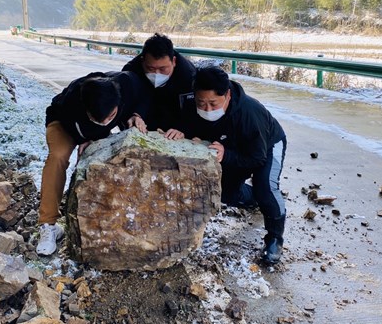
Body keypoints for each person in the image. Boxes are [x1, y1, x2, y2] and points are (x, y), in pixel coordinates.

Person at [182, 66, 287, 264]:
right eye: (201, 103)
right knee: (225, 192)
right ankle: (253, 200)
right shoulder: (190, 104)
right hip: (227, 147)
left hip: (267, 146)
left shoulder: (249, 112)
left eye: (213, 104)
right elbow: (190, 128)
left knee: (265, 187)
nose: (207, 110)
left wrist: (227, 154)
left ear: (227, 95)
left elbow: (258, 158)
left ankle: (274, 239)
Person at [37, 71, 148, 255]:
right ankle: (48, 225)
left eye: (110, 117)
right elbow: (75, 127)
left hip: (93, 130)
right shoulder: (72, 100)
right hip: (64, 125)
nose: (105, 122)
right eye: (98, 120)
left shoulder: (126, 83)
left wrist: (136, 115)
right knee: (58, 157)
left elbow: (144, 96)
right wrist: (87, 137)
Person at [122, 33, 196, 138]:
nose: (157, 74)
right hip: (144, 117)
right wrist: (133, 115)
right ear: (142, 61)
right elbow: (121, 103)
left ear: (173, 61)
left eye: (163, 69)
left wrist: (182, 129)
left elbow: (192, 111)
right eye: (150, 68)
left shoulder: (188, 75)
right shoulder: (131, 72)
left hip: (173, 115)